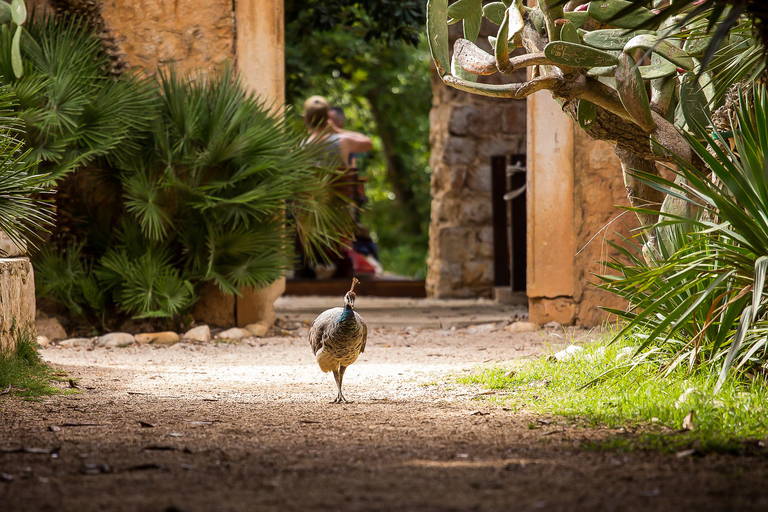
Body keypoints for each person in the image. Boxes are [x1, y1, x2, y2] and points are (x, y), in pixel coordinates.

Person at [303, 96, 372, 169]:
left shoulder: (300, 148)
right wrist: (337, 130)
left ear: (304, 118)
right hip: (340, 180)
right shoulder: (342, 142)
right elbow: (368, 143)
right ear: (328, 117)